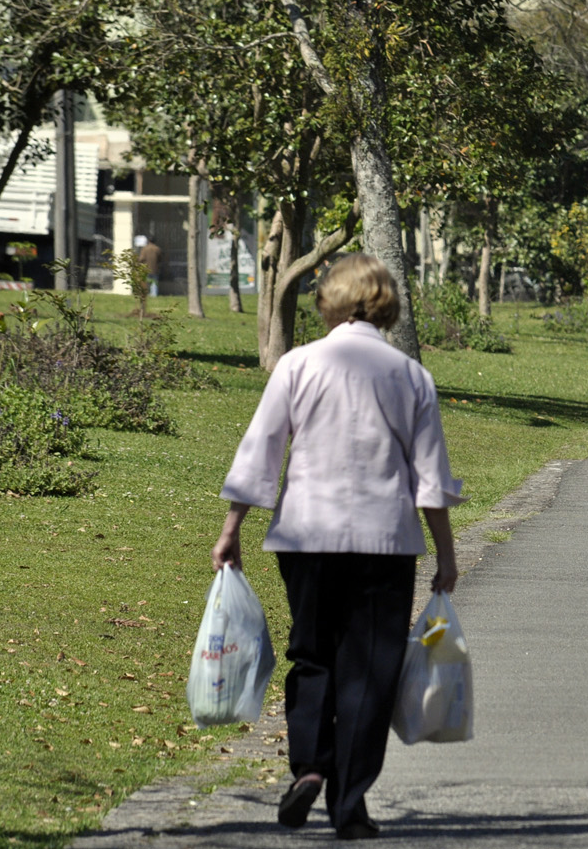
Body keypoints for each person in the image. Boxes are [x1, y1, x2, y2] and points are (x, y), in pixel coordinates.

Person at [212, 253, 465, 839]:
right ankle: (349, 800)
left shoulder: (298, 365)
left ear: (329, 301)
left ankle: (309, 768)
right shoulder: (409, 376)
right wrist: (446, 554)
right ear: (385, 304)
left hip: (307, 537)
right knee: (371, 670)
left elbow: (261, 451)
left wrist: (232, 528)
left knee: (313, 654)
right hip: (385, 543)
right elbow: (431, 478)